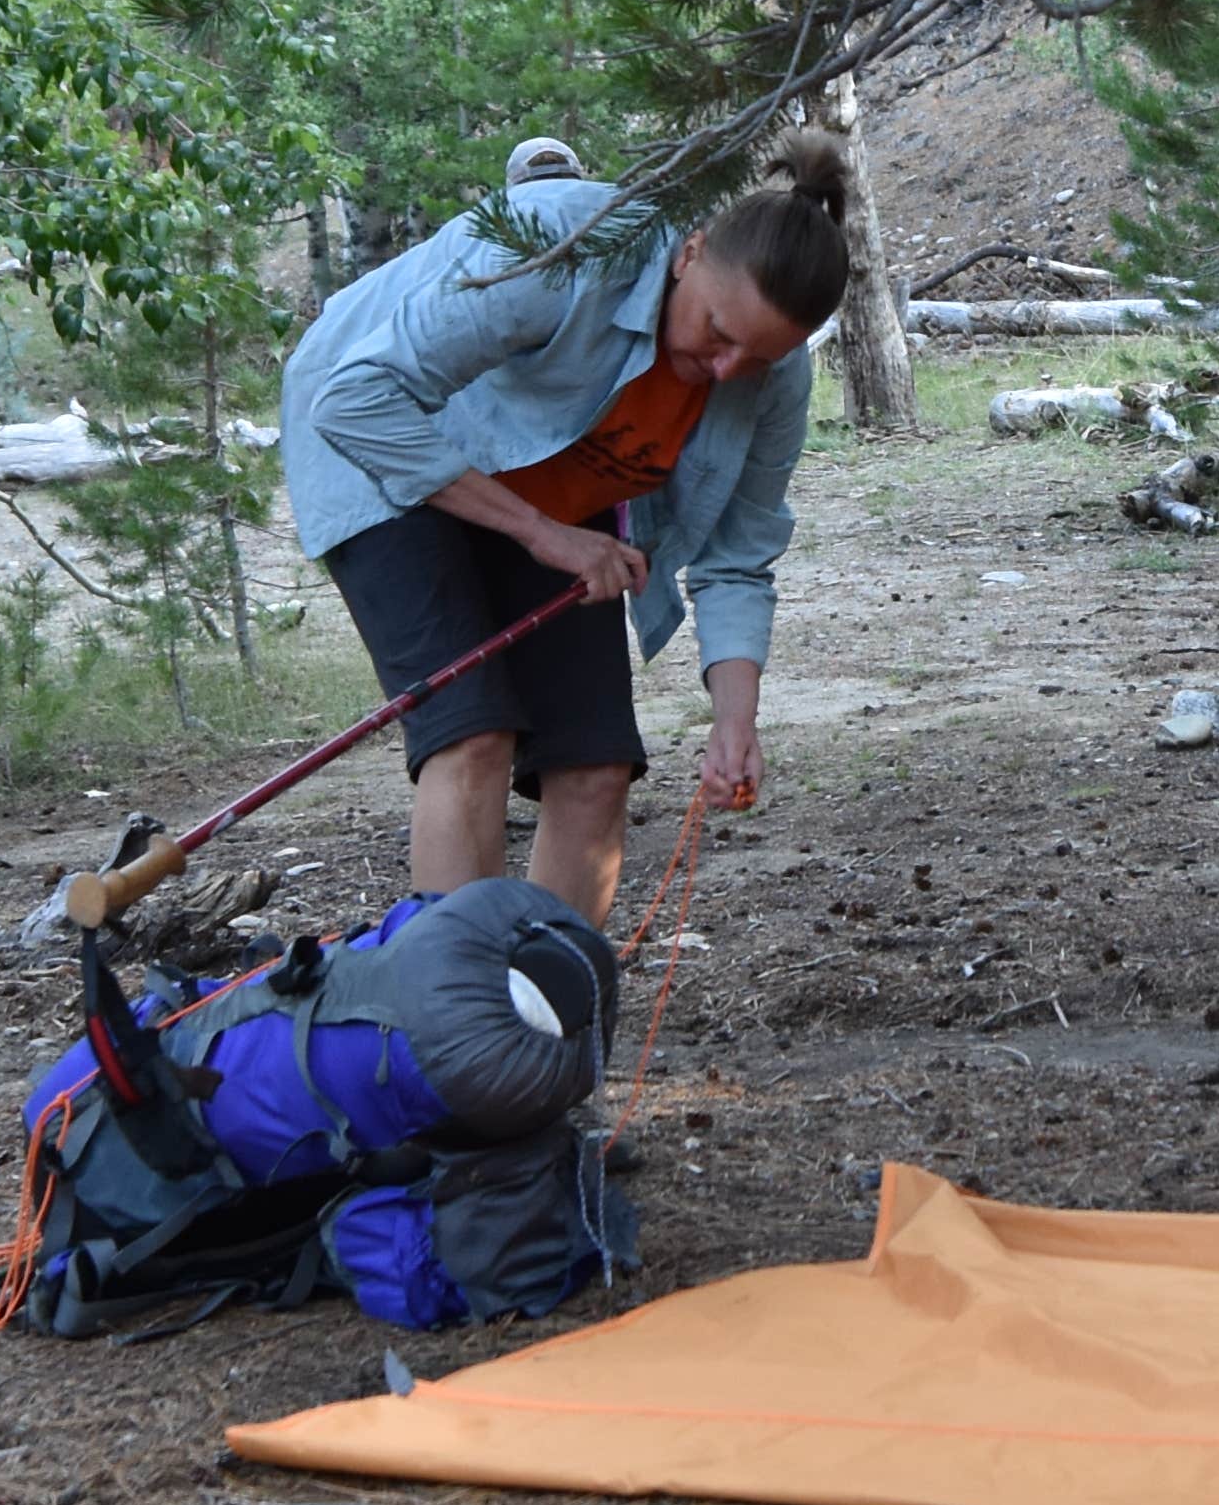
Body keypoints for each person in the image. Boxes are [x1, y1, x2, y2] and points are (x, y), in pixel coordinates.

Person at [279, 134, 851, 921]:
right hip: (384, 442)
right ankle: (463, 1023)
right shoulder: (567, 252)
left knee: (595, 765)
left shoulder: (774, 379)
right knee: (472, 738)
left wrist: (734, 720)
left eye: (754, 359)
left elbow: (737, 558)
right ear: (690, 252)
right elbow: (357, 401)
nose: (725, 372)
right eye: (718, 334)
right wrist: (542, 534)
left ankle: (554, 1019)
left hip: (549, 488)